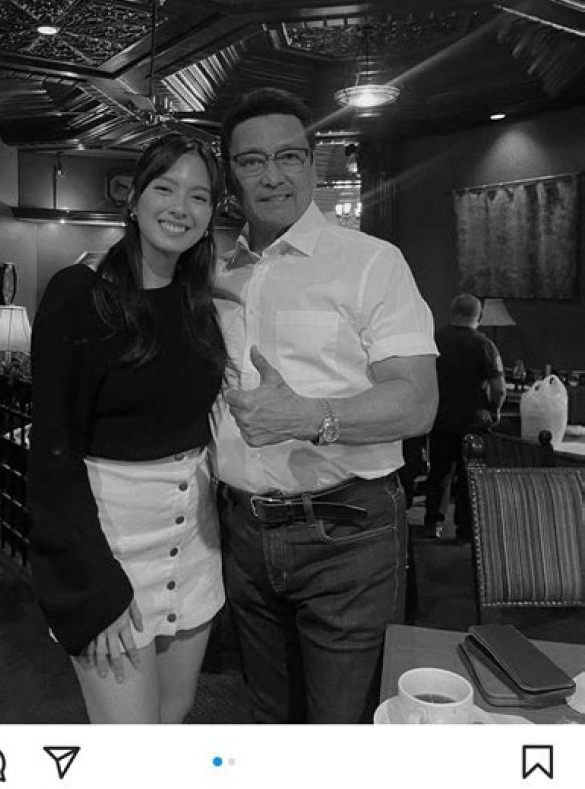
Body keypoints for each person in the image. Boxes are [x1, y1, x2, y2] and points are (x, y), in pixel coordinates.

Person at [213, 87, 438, 723]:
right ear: (230, 174)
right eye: (251, 161)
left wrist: (310, 417)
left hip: (348, 533)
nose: (272, 175)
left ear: (313, 163)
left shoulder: (371, 263)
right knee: (269, 717)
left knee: (342, 727)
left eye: (289, 156)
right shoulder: (220, 273)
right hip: (243, 533)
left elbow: (418, 402)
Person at [27, 134, 228, 724]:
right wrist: (91, 581)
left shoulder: (200, 303)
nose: (180, 207)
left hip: (193, 543)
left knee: (173, 713)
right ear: (134, 199)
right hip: (110, 547)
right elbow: (53, 450)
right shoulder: (79, 293)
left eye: (199, 196)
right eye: (165, 188)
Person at [423, 293, 506, 543]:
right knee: (468, 477)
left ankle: (432, 524)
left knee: (438, 474)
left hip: (438, 418)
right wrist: (495, 410)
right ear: (478, 316)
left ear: (452, 312)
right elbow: (499, 388)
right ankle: (465, 531)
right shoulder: (484, 345)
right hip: (472, 422)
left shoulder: (433, 339)